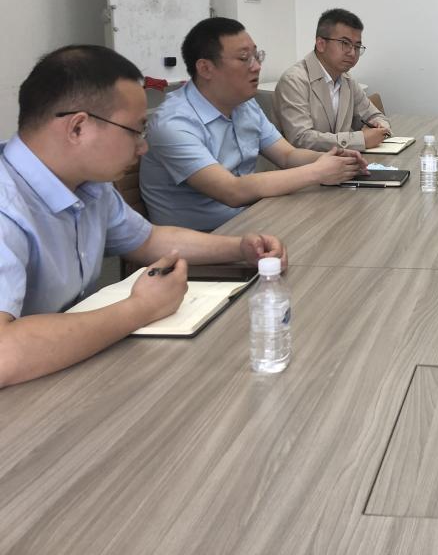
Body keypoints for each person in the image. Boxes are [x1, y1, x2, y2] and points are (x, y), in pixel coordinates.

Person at [0, 45, 287, 389]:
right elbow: (4, 354)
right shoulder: (6, 204)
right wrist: (139, 308)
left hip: (64, 374)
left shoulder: (88, 185)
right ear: (77, 128)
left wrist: (239, 248)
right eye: (135, 130)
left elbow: (147, 239)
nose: (143, 147)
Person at [141, 17, 366, 231]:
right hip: (203, 239)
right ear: (206, 68)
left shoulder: (244, 104)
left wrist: (335, 159)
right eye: (244, 58)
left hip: (252, 219)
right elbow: (232, 191)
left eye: (257, 56)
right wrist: (317, 172)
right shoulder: (173, 124)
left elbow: (287, 155)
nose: (257, 66)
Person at [274, 8, 391, 152]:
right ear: (321, 44)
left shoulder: (347, 80)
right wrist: (360, 139)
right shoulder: (293, 81)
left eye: (357, 46)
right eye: (345, 43)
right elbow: (301, 139)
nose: (352, 52)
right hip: (306, 165)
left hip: (342, 162)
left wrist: (380, 127)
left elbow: (375, 115)